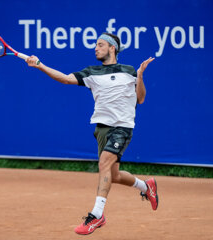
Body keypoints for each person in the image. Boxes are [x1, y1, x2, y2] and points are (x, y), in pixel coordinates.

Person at [25, 32, 158, 235]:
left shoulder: (129, 70)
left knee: (104, 164)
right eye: (96, 45)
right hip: (102, 129)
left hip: (122, 127)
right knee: (112, 175)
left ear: (112, 48)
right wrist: (40, 64)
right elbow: (66, 79)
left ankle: (97, 216)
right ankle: (145, 187)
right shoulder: (91, 72)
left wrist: (139, 76)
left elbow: (140, 99)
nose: (96, 48)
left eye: (100, 44)